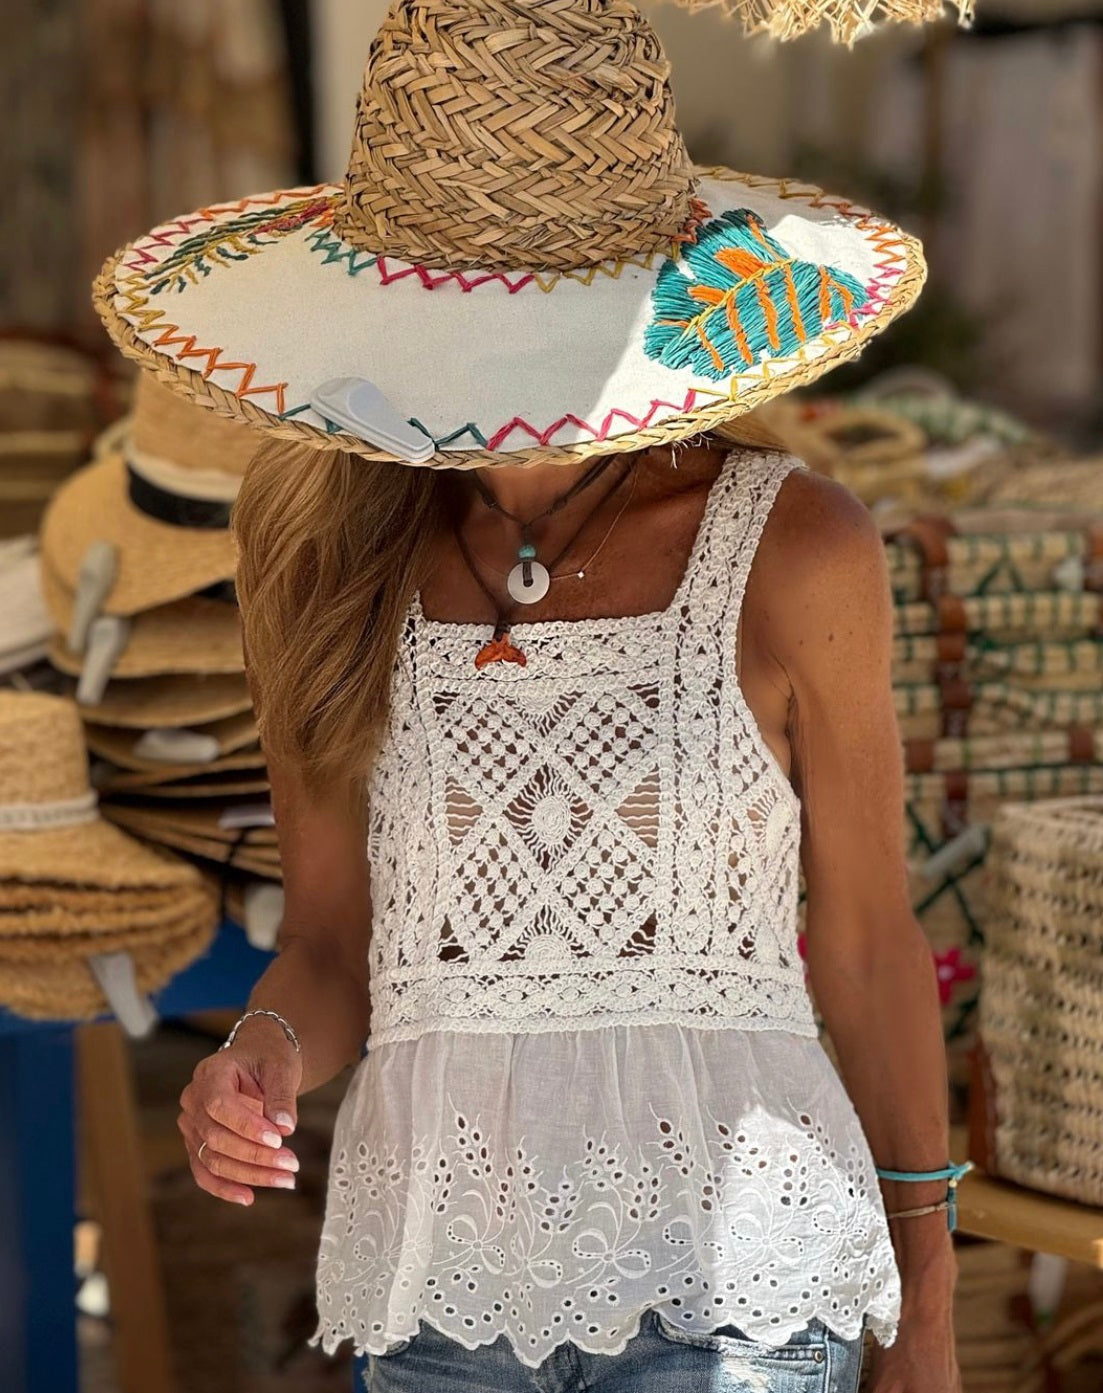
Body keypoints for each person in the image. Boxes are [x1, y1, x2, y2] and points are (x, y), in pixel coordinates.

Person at [94, 2, 963, 1389]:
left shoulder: (798, 548)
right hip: (436, 1299)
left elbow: (864, 943)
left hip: (740, 1299)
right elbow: (333, 945)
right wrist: (253, 1059)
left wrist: (925, 1312)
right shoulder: (318, 543)